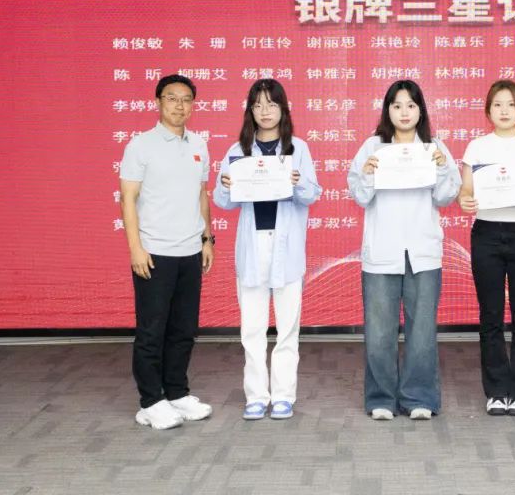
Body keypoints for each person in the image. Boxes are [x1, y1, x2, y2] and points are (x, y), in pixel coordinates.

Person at [347, 80, 461, 421]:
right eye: (397, 106)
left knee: (421, 330)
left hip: (423, 251)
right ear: (387, 111)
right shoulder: (373, 147)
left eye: (411, 105)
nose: (404, 112)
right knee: (379, 332)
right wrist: (368, 174)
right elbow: (359, 195)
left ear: (421, 110)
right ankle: (380, 398)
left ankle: (419, 397)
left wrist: (441, 168)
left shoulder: (434, 147)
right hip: (382, 252)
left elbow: (446, 196)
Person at [214, 79, 322, 420]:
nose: (264, 111)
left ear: (283, 109)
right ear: (249, 110)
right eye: (258, 104)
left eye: (271, 104)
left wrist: (297, 183)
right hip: (253, 247)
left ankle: (284, 396)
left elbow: (312, 194)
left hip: (286, 247)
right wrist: (226, 185)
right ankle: (256, 396)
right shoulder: (237, 151)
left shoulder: (298, 149)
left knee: (288, 328)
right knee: (252, 328)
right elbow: (222, 201)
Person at [119, 74, 215, 430]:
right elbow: (128, 198)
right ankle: (150, 401)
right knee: (152, 331)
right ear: (158, 102)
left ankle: (176, 392)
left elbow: (201, 194)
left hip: (190, 251)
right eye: (172, 98)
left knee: (183, 329)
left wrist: (207, 238)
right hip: (154, 252)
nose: (180, 105)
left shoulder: (199, 144)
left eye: (186, 99)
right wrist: (136, 248)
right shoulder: (140, 145)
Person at [458, 80, 515, 417]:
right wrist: (465, 199)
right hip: (486, 233)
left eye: (511, 104)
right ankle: (497, 390)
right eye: (497, 104)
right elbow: (466, 190)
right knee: (491, 315)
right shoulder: (476, 147)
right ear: (488, 110)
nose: (504, 111)